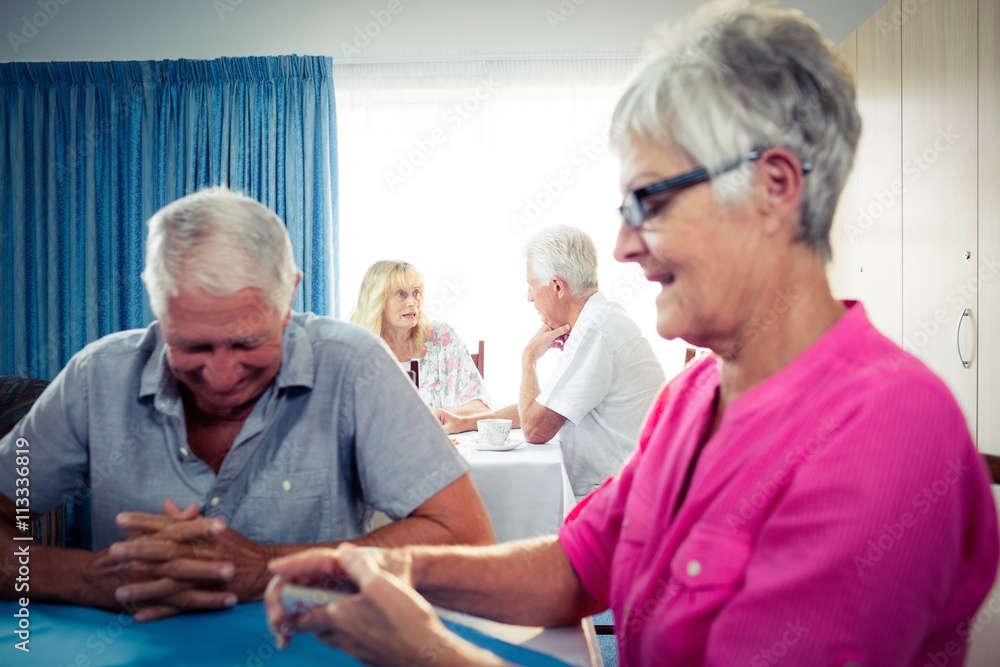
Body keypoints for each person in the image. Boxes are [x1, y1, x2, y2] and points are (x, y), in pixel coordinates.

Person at [262, 3, 999, 665]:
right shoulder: (693, 397)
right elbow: (576, 568)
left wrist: (424, 649)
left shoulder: (885, 429)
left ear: (775, 188)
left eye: (649, 199)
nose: (620, 246)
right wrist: (397, 568)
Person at [0, 187, 493, 621]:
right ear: (157, 303)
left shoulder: (353, 365)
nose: (220, 375)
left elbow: (466, 538)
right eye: (191, 345)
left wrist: (270, 567)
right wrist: (90, 578)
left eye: (246, 343)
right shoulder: (96, 377)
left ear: (289, 299)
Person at [439, 225, 665, 499]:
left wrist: (528, 360)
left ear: (557, 286)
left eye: (531, 285)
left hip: (618, 498)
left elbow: (535, 428)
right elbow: (543, 408)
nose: (529, 297)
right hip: (622, 490)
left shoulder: (595, 329)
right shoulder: (599, 319)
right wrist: (464, 422)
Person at [349, 260, 490, 427]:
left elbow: (481, 408)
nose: (412, 302)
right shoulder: (354, 349)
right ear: (377, 300)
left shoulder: (442, 337)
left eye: (416, 292)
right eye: (401, 294)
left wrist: (438, 415)